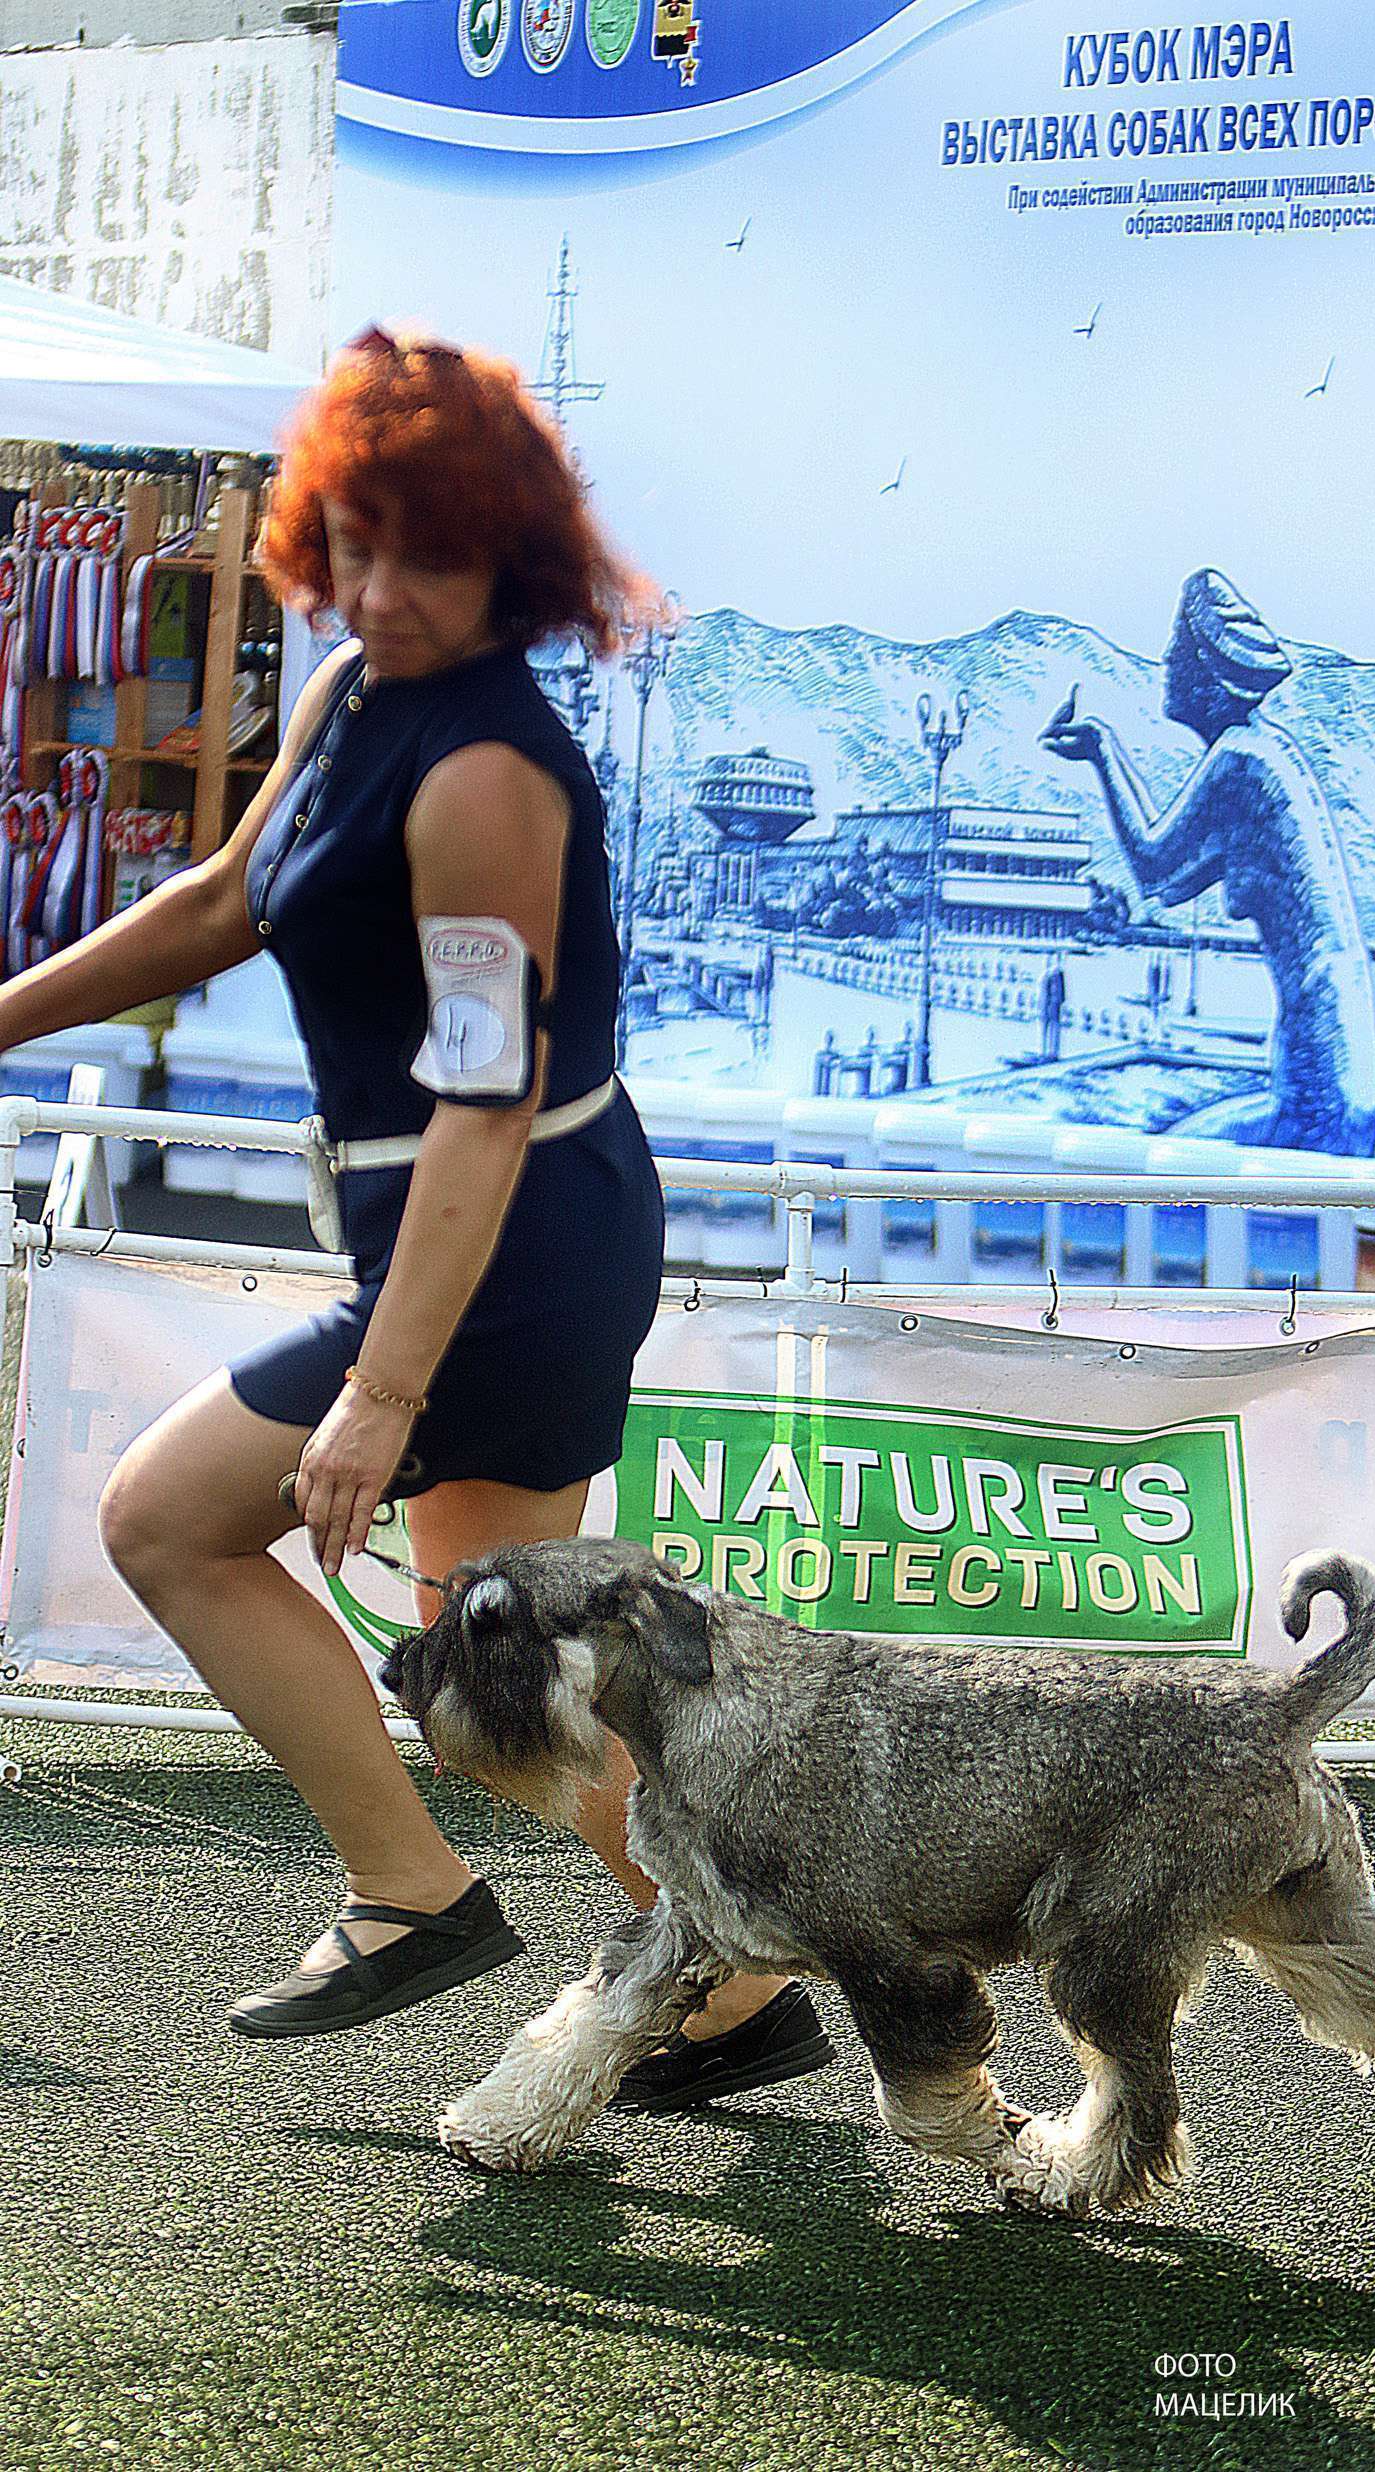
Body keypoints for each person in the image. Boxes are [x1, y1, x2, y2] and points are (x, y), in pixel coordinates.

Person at [0, 328, 831, 2103]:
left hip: (515, 1244)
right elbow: (225, 900)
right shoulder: (352, 694)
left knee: (195, 1533)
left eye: (427, 559)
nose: (377, 593)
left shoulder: (484, 777)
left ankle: (439, 1900)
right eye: (354, 546)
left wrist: (380, 1392)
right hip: (460, 1233)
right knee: (504, 1681)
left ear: (511, 568)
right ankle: (733, 1984)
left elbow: (483, 1103)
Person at [1041, 568, 1375, 1156]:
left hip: (1322, 1083)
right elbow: (1170, 875)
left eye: (1177, 651)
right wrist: (1104, 750)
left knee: (1156, 1175)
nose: (1166, 663)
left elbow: (1155, 872)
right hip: (1337, 1072)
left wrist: (1101, 750)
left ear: (1207, 674)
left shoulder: (1242, 761)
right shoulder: (1259, 753)